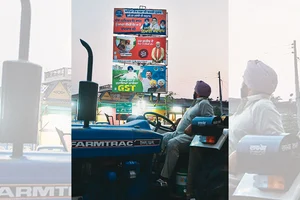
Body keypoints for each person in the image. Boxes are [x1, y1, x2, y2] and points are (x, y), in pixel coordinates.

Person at [228, 60, 284, 195]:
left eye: (244, 79)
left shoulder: (263, 107)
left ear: (250, 84)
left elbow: (276, 147)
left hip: (239, 181)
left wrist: (240, 154)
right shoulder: (247, 107)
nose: (242, 83)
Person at [155, 81, 214, 187]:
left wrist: (193, 126)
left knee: (173, 144)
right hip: (178, 133)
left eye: (195, 90)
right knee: (158, 138)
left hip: (190, 137)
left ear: (197, 92)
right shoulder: (195, 103)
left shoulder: (204, 103)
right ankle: (155, 167)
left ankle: (164, 178)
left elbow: (209, 122)